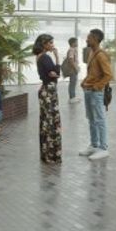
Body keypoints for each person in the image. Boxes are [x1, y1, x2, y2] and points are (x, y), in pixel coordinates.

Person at [79, 28, 112, 160]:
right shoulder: (92, 52)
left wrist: (97, 87)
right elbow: (92, 72)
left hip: (95, 92)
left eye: (89, 38)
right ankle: (94, 145)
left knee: (99, 119)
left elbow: (108, 75)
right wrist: (84, 82)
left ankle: (103, 148)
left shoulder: (101, 55)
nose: (87, 40)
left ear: (96, 39)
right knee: (91, 119)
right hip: (89, 90)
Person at [32, 34, 61, 164]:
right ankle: (51, 155)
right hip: (49, 91)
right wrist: (58, 58)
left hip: (45, 90)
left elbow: (53, 74)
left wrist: (55, 73)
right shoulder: (45, 57)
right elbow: (55, 74)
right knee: (50, 123)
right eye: (50, 43)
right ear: (43, 44)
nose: (52, 45)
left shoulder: (39, 57)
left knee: (46, 121)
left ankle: (46, 154)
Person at [62, 36, 80, 103]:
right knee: (72, 83)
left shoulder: (73, 49)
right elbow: (71, 60)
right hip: (72, 70)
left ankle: (73, 97)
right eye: (76, 42)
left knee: (73, 83)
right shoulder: (71, 50)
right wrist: (76, 68)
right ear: (73, 43)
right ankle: (72, 98)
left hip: (73, 69)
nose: (77, 43)